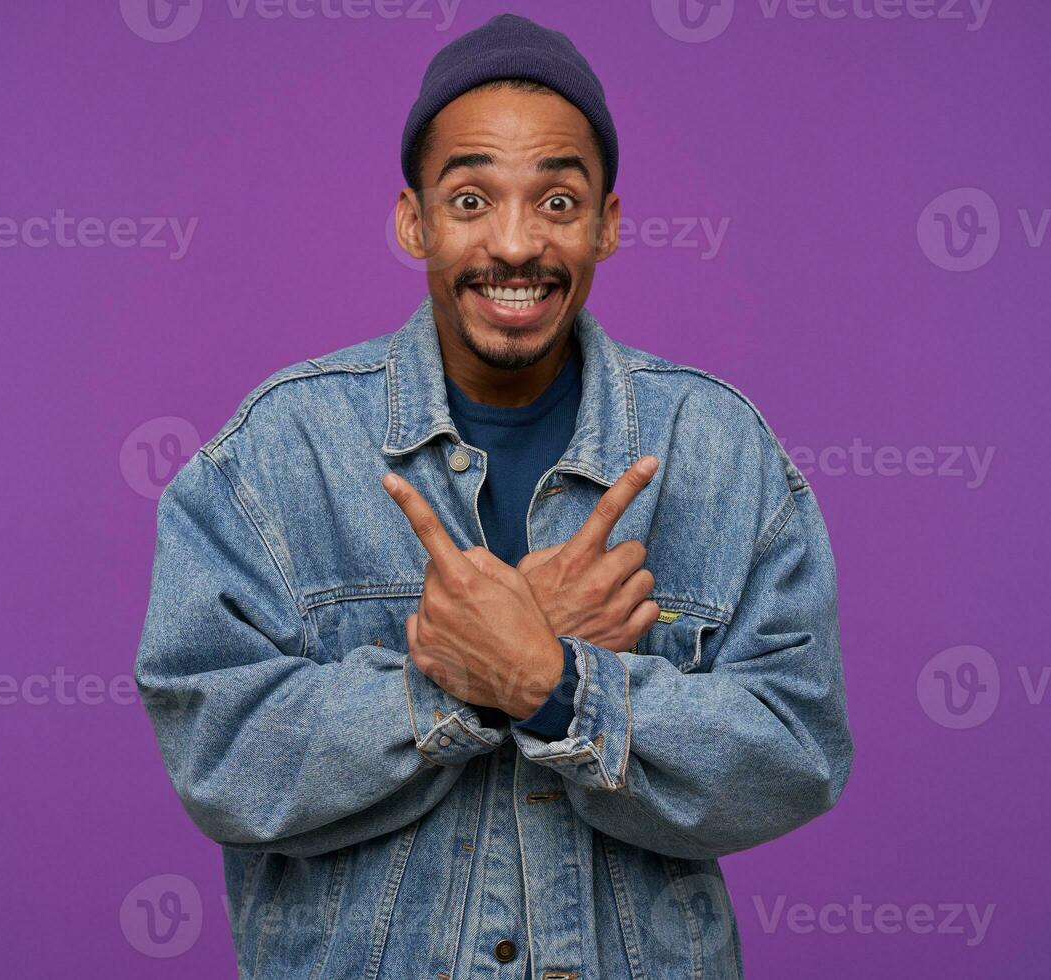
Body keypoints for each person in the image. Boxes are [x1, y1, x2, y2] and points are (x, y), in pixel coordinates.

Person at [134, 13, 853, 979]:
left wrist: (558, 687)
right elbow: (222, 757)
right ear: (414, 219)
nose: (515, 245)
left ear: (607, 222)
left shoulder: (718, 451)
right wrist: (462, 682)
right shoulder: (274, 455)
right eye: (471, 198)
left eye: (557, 201)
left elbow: (798, 749)